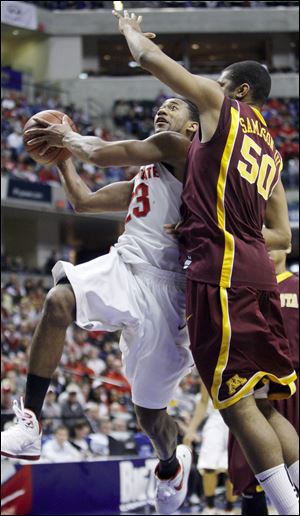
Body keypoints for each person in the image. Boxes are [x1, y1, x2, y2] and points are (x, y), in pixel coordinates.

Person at [113, 10, 299, 515]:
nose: (207, 89)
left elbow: (149, 58)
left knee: (236, 405)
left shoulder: (221, 109)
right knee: (264, 402)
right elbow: (282, 232)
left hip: (222, 275)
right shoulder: (273, 152)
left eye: (217, 84)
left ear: (236, 92)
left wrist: (131, 30)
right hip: (261, 270)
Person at [1, 97, 199, 513]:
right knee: (58, 300)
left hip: (168, 292)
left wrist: (67, 138)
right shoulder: (150, 172)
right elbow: (85, 203)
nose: (163, 110)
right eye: (160, 105)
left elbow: (101, 153)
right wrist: (61, 160)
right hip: (125, 266)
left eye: (175, 106)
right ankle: (31, 424)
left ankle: (170, 466)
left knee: (150, 417)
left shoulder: (186, 153)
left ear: (192, 129)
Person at [228, 247, 299, 516]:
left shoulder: (295, 285)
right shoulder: (244, 283)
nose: (267, 248)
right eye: (262, 242)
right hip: (253, 380)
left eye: (274, 242)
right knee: (249, 474)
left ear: (288, 246)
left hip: (292, 383)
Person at [183, 380, 236, 515]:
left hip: (238, 416)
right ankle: (210, 507)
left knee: (232, 468)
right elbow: (203, 402)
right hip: (216, 417)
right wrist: (191, 429)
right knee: (208, 465)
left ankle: (229, 509)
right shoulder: (208, 362)